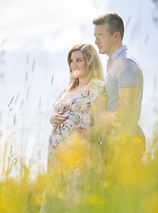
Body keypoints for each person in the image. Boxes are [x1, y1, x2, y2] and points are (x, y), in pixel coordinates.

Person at [92, 13, 146, 163]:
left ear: (116, 36)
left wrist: (94, 131)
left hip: (126, 141)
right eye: (95, 36)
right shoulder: (113, 64)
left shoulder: (126, 63)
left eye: (100, 36)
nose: (96, 41)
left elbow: (126, 108)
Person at [48, 43, 105, 169]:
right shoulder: (66, 90)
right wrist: (52, 119)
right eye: (71, 61)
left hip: (80, 151)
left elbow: (101, 123)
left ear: (90, 62)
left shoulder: (95, 86)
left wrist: (83, 138)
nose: (74, 65)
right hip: (58, 153)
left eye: (79, 60)